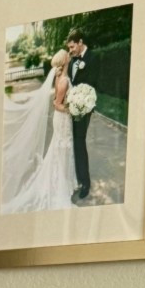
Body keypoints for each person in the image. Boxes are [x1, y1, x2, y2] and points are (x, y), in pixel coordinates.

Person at [4, 48, 78, 212]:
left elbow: (56, 101)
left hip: (61, 120)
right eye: (67, 54)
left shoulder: (60, 76)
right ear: (64, 60)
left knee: (59, 149)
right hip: (63, 119)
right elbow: (57, 105)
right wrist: (74, 109)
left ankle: (62, 182)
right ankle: (60, 185)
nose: (69, 55)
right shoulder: (64, 80)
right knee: (63, 148)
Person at [65, 33, 93, 201]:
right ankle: (75, 178)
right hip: (73, 108)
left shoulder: (93, 58)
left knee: (79, 143)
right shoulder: (73, 61)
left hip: (84, 108)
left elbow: (93, 84)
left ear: (80, 42)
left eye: (72, 46)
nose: (70, 50)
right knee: (74, 143)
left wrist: (82, 105)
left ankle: (85, 183)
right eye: (69, 48)